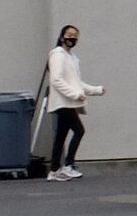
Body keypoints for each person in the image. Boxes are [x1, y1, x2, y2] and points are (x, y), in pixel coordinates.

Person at [45, 25, 105, 181]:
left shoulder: (70, 57)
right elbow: (56, 80)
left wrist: (96, 90)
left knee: (61, 135)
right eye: (69, 35)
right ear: (61, 37)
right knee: (79, 130)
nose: (72, 38)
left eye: (75, 36)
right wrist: (75, 95)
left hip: (67, 102)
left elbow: (76, 82)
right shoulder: (58, 56)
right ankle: (68, 165)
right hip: (63, 102)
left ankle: (54, 170)